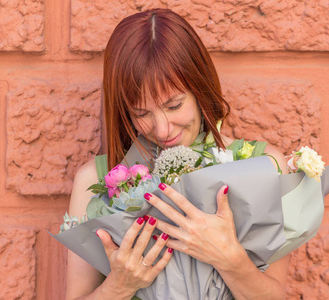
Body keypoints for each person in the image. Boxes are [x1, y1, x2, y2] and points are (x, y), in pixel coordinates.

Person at [66, 8, 290, 300]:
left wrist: (230, 260)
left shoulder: (264, 165)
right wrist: (119, 286)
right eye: (141, 113)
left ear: (200, 87)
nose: (162, 129)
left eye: (173, 106)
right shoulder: (92, 182)